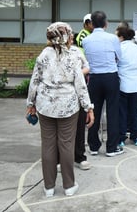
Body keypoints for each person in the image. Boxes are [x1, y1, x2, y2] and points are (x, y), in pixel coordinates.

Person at [26, 22, 95, 197]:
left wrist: (30, 104)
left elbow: (34, 81)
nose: (72, 37)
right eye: (70, 34)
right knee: (66, 144)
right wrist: (89, 107)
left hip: (45, 106)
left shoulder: (43, 55)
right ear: (66, 37)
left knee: (48, 144)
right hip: (68, 107)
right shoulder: (73, 56)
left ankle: (48, 187)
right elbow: (80, 85)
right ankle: (69, 186)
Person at [82, 11, 123, 157]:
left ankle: (93, 146)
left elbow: (87, 58)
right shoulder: (113, 38)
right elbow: (119, 57)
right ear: (106, 23)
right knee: (112, 112)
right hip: (110, 76)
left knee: (94, 110)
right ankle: (112, 147)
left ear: (91, 24)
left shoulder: (86, 40)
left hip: (94, 78)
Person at [116, 26, 137, 146]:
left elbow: (116, 65)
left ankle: (121, 137)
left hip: (123, 83)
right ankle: (136, 136)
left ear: (122, 37)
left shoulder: (119, 48)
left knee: (122, 112)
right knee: (135, 112)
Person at [72, 14, 94, 170]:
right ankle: (61, 158)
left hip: (79, 87)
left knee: (79, 124)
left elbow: (85, 66)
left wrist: (87, 106)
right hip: (58, 99)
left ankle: (79, 156)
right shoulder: (83, 37)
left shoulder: (75, 50)